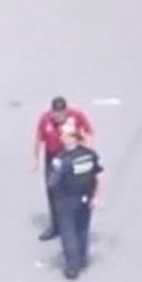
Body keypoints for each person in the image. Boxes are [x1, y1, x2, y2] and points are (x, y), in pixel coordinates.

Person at [32, 96, 94, 240]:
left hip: (71, 156)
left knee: (73, 191)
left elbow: (89, 133)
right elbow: (38, 137)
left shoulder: (76, 116)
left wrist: (87, 151)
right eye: (55, 114)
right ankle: (56, 226)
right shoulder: (45, 119)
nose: (57, 117)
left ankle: (74, 224)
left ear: (66, 111)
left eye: (60, 114)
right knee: (52, 189)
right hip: (52, 157)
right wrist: (35, 157)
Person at [47, 126, 104, 279]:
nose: (61, 137)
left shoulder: (62, 159)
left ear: (73, 138)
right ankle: (82, 258)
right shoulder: (90, 155)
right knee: (82, 229)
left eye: (64, 135)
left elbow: (53, 182)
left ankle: (72, 266)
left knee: (68, 231)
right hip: (86, 197)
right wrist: (97, 196)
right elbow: (98, 175)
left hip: (67, 199)